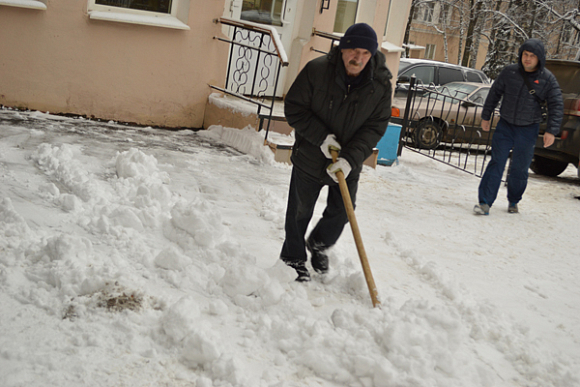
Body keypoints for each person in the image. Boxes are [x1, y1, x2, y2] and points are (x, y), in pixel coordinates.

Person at [279, 23, 392, 281]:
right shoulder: (317, 71)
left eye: (365, 53)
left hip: (347, 163)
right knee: (299, 212)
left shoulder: (381, 86)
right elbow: (294, 108)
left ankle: (318, 244)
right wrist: (321, 138)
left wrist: (350, 159)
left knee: (342, 212)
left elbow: (375, 126)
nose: (358, 58)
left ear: (372, 54)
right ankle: (293, 259)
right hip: (310, 156)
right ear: (342, 50)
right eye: (353, 50)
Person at [474, 38, 563, 216]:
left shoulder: (547, 79)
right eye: (525, 55)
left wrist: (551, 131)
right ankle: (485, 202)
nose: (527, 59)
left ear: (540, 59)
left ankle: (514, 200)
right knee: (496, 163)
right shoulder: (509, 72)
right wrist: (486, 116)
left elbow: (556, 105)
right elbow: (494, 93)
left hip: (528, 129)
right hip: (505, 125)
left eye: (532, 56)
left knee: (520, 167)